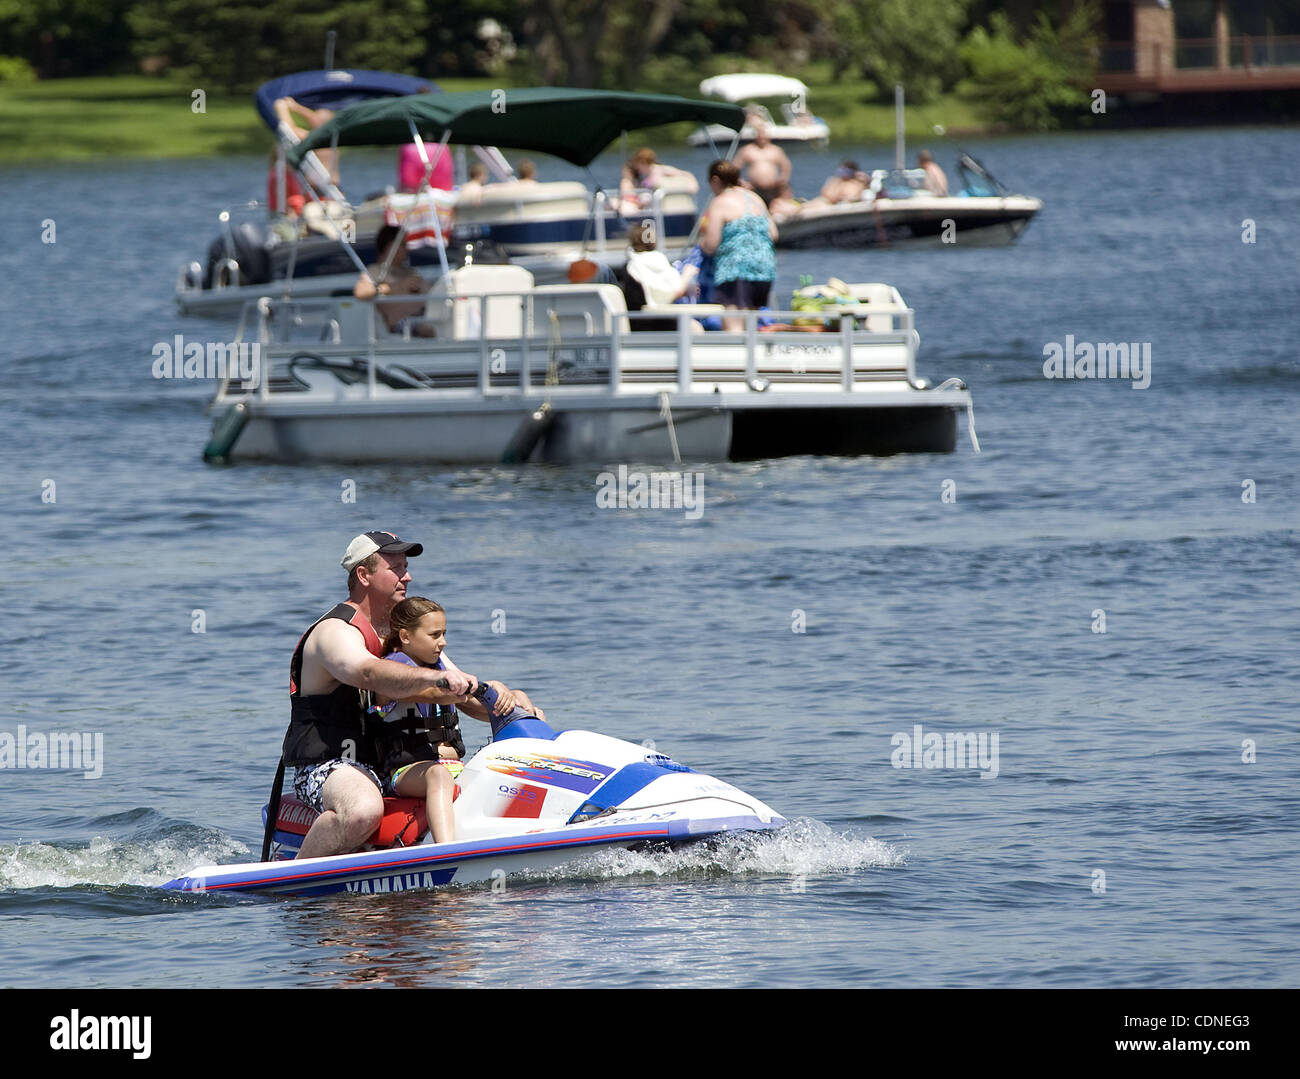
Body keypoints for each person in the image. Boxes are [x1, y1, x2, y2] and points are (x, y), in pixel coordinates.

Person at [282, 532, 536, 860]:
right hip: (331, 765)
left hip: (387, 764)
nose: (408, 575)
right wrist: (439, 678)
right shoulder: (335, 632)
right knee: (362, 810)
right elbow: (369, 673)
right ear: (364, 575)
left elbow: (459, 694)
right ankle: (295, 881)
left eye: (407, 566)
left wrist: (508, 700)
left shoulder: (402, 633)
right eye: (396, 567)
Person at [698, 159, 777, 332]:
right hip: (764, 268)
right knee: (752, 324)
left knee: (733, 324)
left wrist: (700, 246)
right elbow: (774, 234)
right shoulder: (754, 198)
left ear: (716, 180)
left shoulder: (720, 201)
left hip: (735, 269)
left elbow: (711, 244)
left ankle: (734, 358)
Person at [353, 224, 432, 336]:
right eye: (403, 245)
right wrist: (395, 288)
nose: (406, 249)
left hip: (422, 319)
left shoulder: (411, 272)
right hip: (400, 328)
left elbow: (431, 294)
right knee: (426, 330)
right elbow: (361, 292)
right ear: (390, 246)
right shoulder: (375, 271)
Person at [620, 147, 698, 213]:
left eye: (638, 164)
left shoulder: (661, 169)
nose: (637, 168)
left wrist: (693, 186)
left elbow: (686, 174)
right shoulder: (646, 175)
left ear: (642, 162)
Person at [734, 121, 792, 207]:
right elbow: (734, 169)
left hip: (773, 189)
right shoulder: (747, 150)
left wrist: (782, 180)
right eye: (759, 134)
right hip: (754, 188)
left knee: (776, 206)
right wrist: (742, 182)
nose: (761, 136)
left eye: (763, 134)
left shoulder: (776, 150)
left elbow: (786, 166)